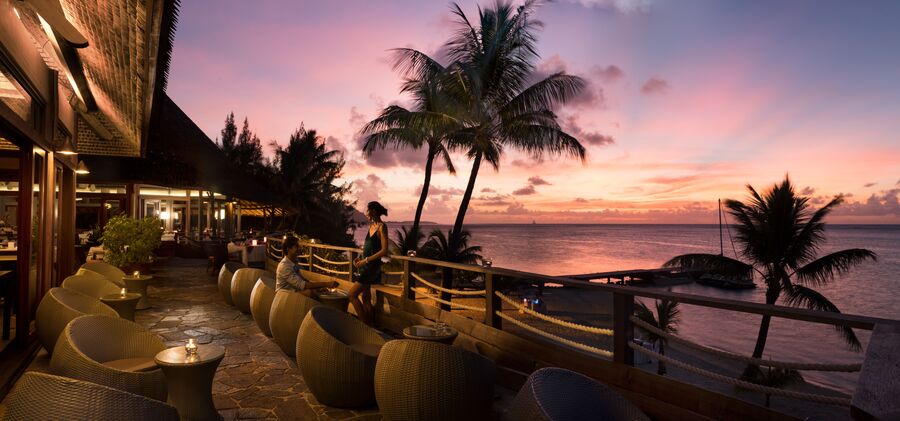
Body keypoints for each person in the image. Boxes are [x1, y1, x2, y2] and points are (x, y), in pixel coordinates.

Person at [351, 201, 389, 325]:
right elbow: (368, 247)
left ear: (373, 211)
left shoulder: (382, 227)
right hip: (365, 265)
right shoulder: (371, 226)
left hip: (372, 267)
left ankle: (364, 325)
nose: (366, 212)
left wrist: (366, 260)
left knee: (352, 295)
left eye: (368, 210)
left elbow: (384, 250)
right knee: (365, 298)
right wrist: (360, 258)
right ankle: (370, 325)